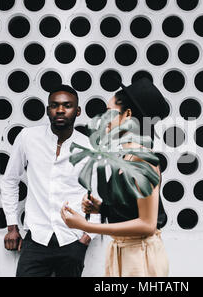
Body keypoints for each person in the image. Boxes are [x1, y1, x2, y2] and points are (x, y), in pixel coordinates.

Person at [61, 78, 170, 277]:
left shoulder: (143, 160)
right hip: (123, 251)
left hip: (141, 256)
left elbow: (147, 224)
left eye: (109, 110)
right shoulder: (126, 156)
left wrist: (85, 226)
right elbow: (134, 212)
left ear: (127, 115)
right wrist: (102, 208)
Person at [0, 84, 100, 277]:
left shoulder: (88, 147)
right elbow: (10, 180)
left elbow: (97, 196)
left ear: (77, 111)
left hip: (72, 241)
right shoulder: (28, 138)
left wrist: (86, 239)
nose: (60, 110)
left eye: (67, 105)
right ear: (48, 110)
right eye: (55, 105)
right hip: (36, 239)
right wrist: (12, 227)